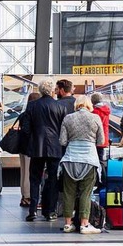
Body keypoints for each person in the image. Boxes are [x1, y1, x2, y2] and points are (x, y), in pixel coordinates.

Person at [20, 79, 68, 222]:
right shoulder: (60, 107)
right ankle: (50, 211)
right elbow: (63, 129)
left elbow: (26, 129)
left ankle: (33, 209)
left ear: (40, 90)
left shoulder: (32, 106)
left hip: (37, 147)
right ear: (53, 90)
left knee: (34, 178)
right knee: (53, 179)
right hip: (55, 147)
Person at [59, 95, 105, 234]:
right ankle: (84, 225)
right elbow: (101, 141)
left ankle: (68, 224)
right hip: (89, 160)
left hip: (70, 159)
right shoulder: (95, 118)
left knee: (69, 193)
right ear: (89, 105)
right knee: (86, 193)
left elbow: (62, 141)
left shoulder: (68, 118)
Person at [17, 92, 40, 207]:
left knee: (23, 171)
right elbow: (28, 131)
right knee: (28, 172)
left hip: (22, 146)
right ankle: (27, 196)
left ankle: (24, 195)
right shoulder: (33, 115)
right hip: (30, 147)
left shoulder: (24, 114)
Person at [91, 92, 110, 162]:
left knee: (95, 159)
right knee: (100, 158)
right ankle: (101, 172)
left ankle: (98, 172)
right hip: (104, 137)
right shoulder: (106, 110)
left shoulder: (95, 111)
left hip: (96, 138)